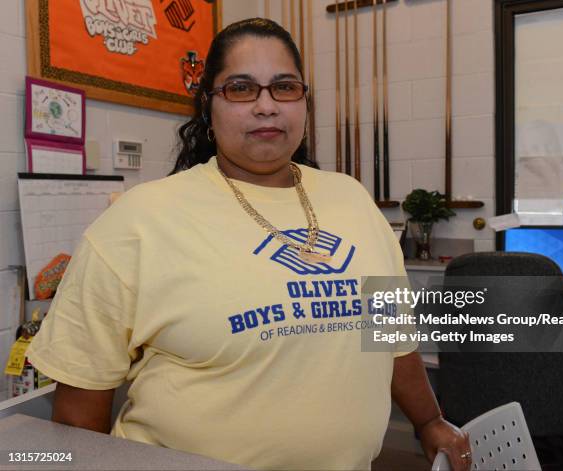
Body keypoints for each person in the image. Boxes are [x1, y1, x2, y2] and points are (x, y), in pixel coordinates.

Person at [26, 17, 471, 471]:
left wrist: (429, 420)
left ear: (304, 101)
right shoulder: (137, 221)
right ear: (208, 105)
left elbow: (391, 336)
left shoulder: (352, 199)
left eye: (284, 87)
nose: (266, 106)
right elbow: (80, 407)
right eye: (240, 88)